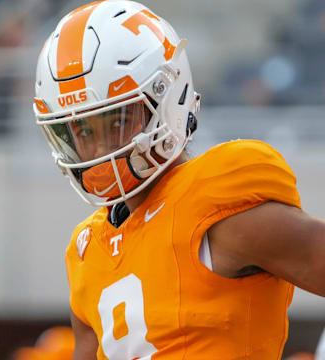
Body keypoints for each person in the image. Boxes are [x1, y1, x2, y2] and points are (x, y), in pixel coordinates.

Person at [33, 1, 325, 359]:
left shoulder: (218, 206)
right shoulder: (86, 249)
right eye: (82, 130)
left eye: (117, 121)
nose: (99, 148)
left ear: (167, 98)